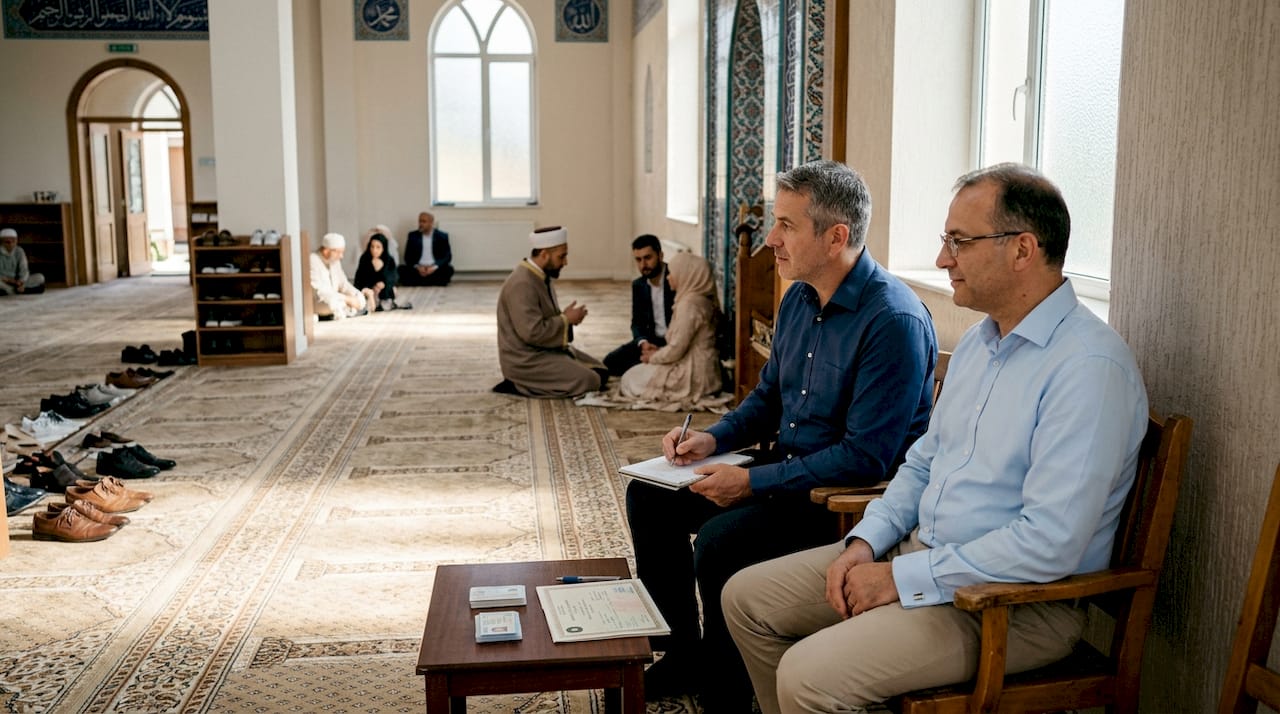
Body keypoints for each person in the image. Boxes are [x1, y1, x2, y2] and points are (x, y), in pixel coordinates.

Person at [722, 163, 1150, 714]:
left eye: (959, 242)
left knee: (807, 676)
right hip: (923, 555)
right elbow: (922, 463)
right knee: (746, 599)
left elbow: (1050, 542)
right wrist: (865, 543)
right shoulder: (980, 343)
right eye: (945, 241)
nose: (944, 259)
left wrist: (900, 577)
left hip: (1009, 605)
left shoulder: (1088, 368)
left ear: (1023, 250)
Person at [627, 160, 938, 712]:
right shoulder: (799, 297)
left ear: (836, 236)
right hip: (787, 471)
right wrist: (714, 438)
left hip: (839, 499)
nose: (771, 240)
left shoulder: (892, 320)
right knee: (650, 495)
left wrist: (751, 484)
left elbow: (866, 458)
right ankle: (686, 654)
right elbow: (769, 396)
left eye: (787, 226)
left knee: (722, 541)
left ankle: (729, 691)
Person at [494, 226, 607, 398]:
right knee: (591, 381)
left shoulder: (540, 276)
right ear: (545, 254)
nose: (565, 262)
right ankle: (519, 384)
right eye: (562, 256)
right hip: (525, 361)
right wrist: (566, 320)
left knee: (601, 371)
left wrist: (566, 318)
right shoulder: (522, 283)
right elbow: (532, 332)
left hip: (543, 350)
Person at [619, 252, 722, 409]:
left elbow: (676, 349)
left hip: (694, 374)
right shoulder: (697, 300)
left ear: (687, 275)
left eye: (672, 274)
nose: (668, 278)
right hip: (698, 367)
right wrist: (658, 352)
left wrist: (653, 357)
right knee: (628, 369)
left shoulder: (690, 306)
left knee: (630, 378)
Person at [604, 234, 675, 376]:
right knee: (610, 362)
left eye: (648, 258)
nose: (643, 265)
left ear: (660, 255)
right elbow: (637, 323)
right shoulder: (639, 285)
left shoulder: (674, 278)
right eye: (638, 259)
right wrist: (643, 343)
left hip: (675, 343)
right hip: (652, 341)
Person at [310, 232, 367, 320]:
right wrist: (348, 299)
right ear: (326, 251)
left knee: (360, 298)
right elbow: (320, 291)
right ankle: (347, 310)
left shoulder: (334, 261)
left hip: (338, 298)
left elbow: (344, 284)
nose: (341, 256)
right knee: (333, 304)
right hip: (321, 301)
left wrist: (355, 295)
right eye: (339, 252)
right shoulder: (312, 260)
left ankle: (343, 310)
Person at [400, 211, 454, 286]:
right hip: (418, 269)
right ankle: (431, 281)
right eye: (419, 221)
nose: (421, 224)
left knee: (449, 269)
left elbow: (447, 257)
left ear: (431, 223)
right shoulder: (413, 236)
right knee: (401, 269)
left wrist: (434, 267)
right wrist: (418, 267)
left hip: (434, 269)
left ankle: (422, 282)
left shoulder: (442, 236)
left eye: (424, 221)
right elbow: (407, 257)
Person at [354, 233, 403, 311]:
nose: (374, 250)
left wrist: (384, 283)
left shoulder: (389, 259)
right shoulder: (364, 258)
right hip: (368, 288)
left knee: (392, 288)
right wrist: (373, 286)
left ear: (383, 248)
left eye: (378, 247)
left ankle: (384, 302)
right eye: (372, 246)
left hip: (384, 289)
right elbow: (360, 278)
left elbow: (394, 277)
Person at [0, 228, 46, 296]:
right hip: (4, 281)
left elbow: (24, 269)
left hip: (17, 281)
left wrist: (21, 282)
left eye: (13, 241)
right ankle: (13, 290)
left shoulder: (19, 251)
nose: (11, 244)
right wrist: (9, 280)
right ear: (1, 242)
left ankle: (16, 290)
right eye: (7, 242)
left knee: (40, 277)